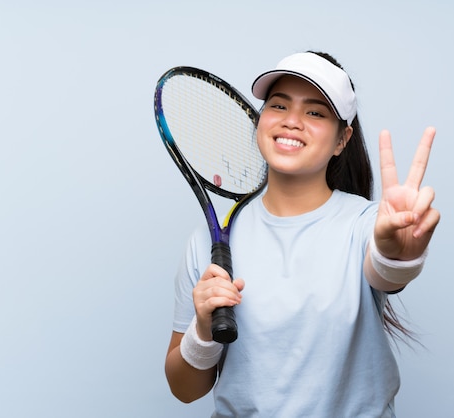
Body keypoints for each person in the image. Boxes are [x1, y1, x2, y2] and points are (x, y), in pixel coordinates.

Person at [164, 51, 439, 418]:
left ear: (343, 139)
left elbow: (387, 273)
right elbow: (184, 390)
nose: (292, 121)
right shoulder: (207, 243)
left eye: (315, 112)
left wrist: (397, 254)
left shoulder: (367, 224)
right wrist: (203, 330)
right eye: (278, 105)